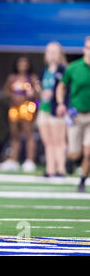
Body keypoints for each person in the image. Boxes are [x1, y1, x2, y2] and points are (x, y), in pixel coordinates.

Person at [56, 36, 90, 192]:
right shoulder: (73, 68)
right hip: (76, 114)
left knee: (88, 152)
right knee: (75, 154)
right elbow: (61, 86)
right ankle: (70, 159)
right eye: (88, 48)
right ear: (84, 49)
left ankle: (83, 179)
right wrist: (61, 103)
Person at [0, 56, 40, 172]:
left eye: (25, 63)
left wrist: (31, 94)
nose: (22, 65)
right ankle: (13, 160)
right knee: (14, 135)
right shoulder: (12, 78)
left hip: (27, 109)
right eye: (20, 63)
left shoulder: (32, 78)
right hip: (14, 109)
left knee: (28, 134)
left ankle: (30, 161)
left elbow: (38, 93)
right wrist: (13, 96)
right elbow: (5, 92)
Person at [36, 42, 67, 177]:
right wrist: (40, 92)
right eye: (49, 52)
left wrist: (55, 96)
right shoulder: (44, 70)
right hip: (44, 108)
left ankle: (61, 168)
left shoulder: (63, 70)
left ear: (60, 54)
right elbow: (39, 87)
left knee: (58, 140)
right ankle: (50, 169)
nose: (51, 55)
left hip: (56, 109)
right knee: (47, 141)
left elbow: (67, 90)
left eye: (54, 52)